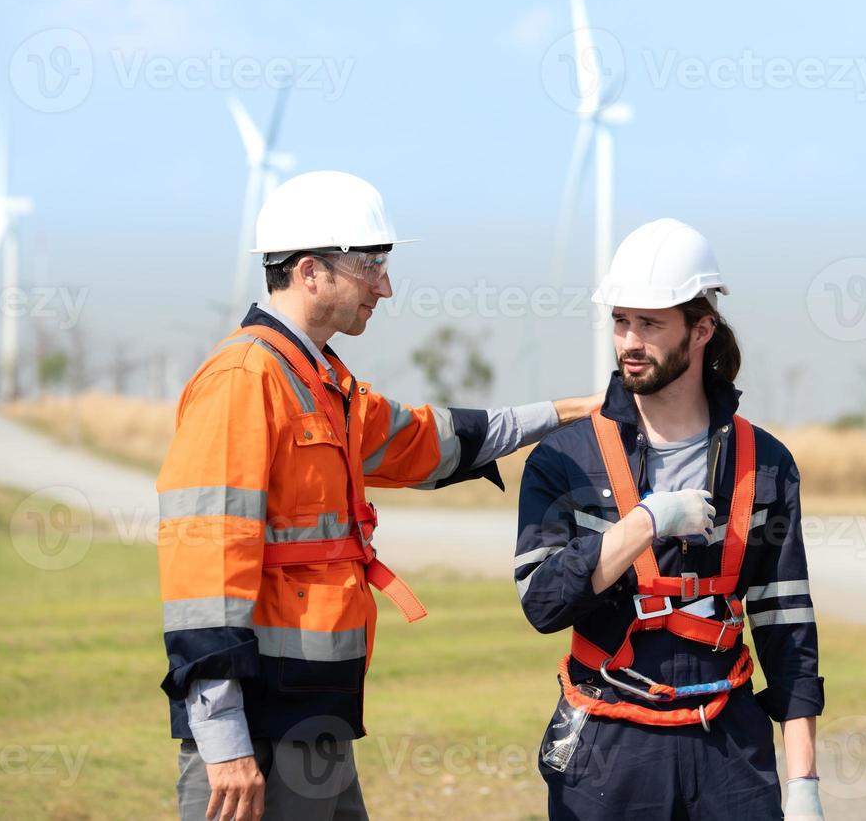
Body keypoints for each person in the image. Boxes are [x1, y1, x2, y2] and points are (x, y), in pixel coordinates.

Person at [157, 170, 599, 820]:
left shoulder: (321, 383)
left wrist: (572, 410)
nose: (385, 287)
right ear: (310, 272)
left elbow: (437, 438)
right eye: (371, 266)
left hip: (316, 717)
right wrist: (224, 743)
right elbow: (203, 569)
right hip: (258, 731)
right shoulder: (243, 380)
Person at [514, 218, 826, 820]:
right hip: (609, 750)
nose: (630, 340)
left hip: (730, 753)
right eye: (621, 321)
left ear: (702, 328)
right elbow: (542, 604)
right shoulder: (564, 459)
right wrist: (644, 523)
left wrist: (805, 782)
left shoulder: (765, 464)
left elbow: (787, 626)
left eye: (650, 324)